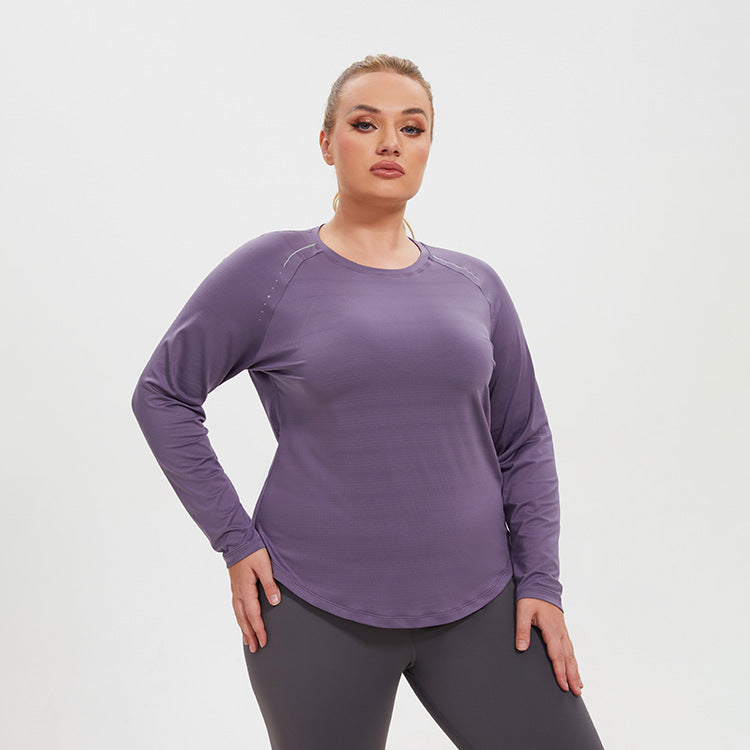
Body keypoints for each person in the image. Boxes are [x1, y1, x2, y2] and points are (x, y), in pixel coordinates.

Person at [131, 53, 605, 750]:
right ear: (327, 143)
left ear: (429, 147)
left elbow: (524, 437)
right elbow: (164, 394)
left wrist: (541, 581)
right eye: (365, 124)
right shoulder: (273, 270)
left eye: (412, 128)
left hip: (485, 606)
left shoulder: (476, 285)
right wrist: (235, 540)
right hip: (313, 608)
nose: (390, 143)